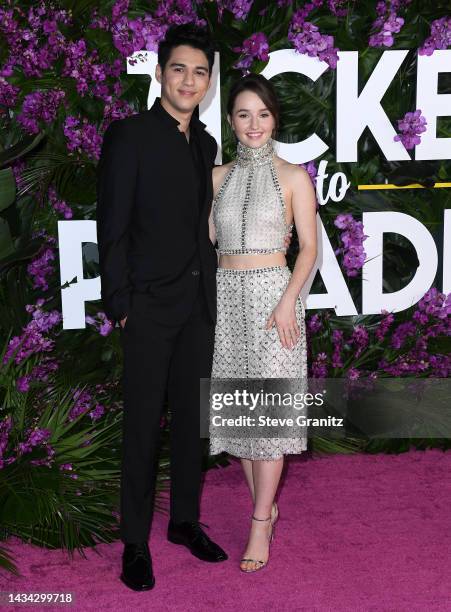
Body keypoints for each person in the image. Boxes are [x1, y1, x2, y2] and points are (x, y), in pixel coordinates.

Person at [96, 24, 228, 592]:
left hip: (197, 306)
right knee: (144, 429)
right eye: (180, 69)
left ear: (207, 82)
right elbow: (113, 227)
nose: (190, 80)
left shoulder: (205, 145)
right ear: (160, 73)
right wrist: (122, 304)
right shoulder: (129, 136)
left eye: (200, 72)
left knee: (193, 425)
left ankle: (183, 522)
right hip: (148, 309)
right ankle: (133, 543)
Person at [208, 73, 317, 572]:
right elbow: (203, 238)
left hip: (275, 300)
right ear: (230, 120)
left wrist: (287, 302)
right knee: (241, 418)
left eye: (264, 114)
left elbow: (309, 251)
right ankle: (266, 508)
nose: (254, 124)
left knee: (267, 421)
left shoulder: (295, 176)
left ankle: (258, 524)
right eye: (244, 114)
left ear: (276, 119)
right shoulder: (215, 177)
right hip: (226, 302)